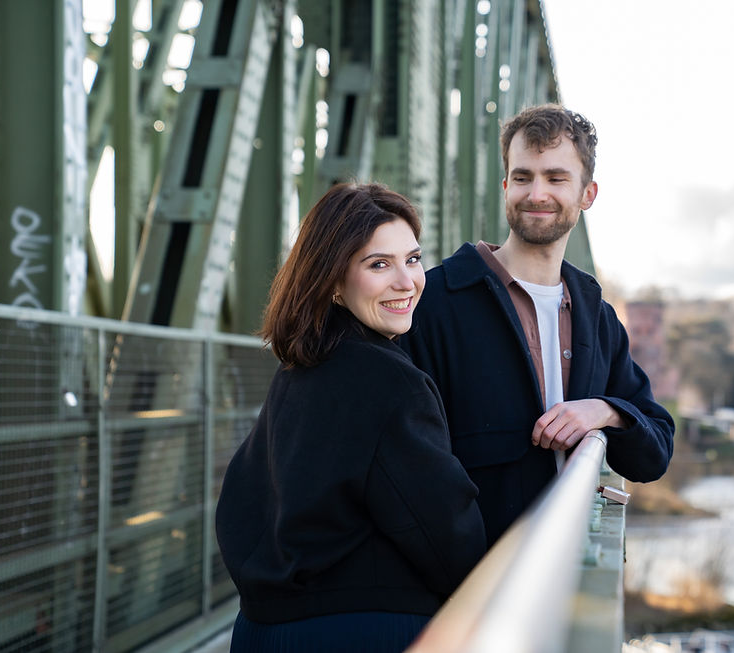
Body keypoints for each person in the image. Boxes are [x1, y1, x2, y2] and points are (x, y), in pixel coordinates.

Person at [216, 182, 486, 652]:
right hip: (361, 631)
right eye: (379, 264)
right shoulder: (389, 381)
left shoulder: (300, 370)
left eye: (413, 259)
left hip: (261, 629)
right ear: (333, 282)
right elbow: (446, 533)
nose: (407, 282)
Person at [399, 104, 674, 546]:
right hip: (463, 584)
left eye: (556, 178)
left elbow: (654, 455)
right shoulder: (434, 302)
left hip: (561, 579)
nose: (537, 193)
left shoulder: (596, 316)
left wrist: (603, 411)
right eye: (523, 177)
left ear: (588, 193)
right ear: (506, 186)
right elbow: (400, 462)